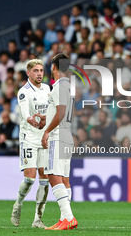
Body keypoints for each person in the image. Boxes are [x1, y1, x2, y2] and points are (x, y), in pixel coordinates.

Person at [11, 59, 50, 228]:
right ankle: (18, 204)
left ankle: (38, 218)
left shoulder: (48, 89)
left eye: (41, 70)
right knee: (29, 178)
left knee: (45, 178)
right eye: (35, 70)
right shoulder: (23, 91)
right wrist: (34, 120)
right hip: (29, 138)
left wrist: (46, 120)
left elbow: (52, 111)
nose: (39, 73)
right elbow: (25, 113)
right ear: (28, 73)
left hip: (44, 138)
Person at [41, 53, 78, 230]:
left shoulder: (58, 87)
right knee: (64, 178)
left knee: (53, 176)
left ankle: (69, 217)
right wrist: (45, 117)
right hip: (67, 134)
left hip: (57, 136)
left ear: (54, 67)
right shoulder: (69, 86)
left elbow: (61, 113)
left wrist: (47, 130)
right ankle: (64, 219)